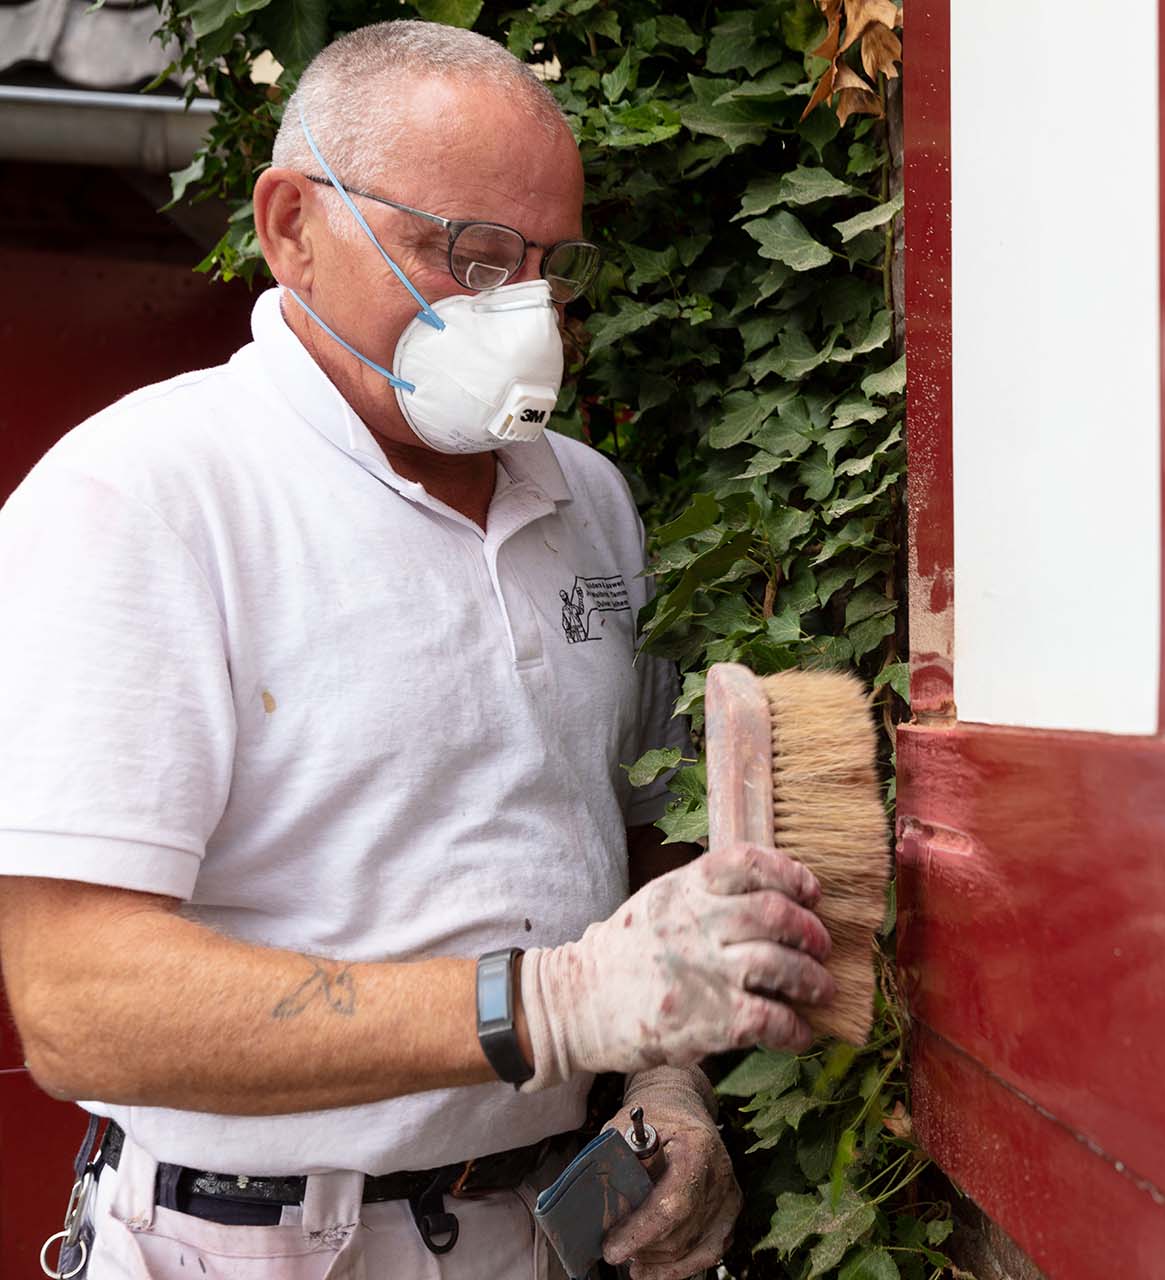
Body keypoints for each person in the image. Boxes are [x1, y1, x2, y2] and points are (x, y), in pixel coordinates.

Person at [0, 20, 834, 1279]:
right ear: (293, 224)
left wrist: (665, 1076)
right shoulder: (148, 493)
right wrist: (540, 1005)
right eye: (472, 255)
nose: (521, 312)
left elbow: (635, 837)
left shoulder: (588, 500)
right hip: (253, 1242)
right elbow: (78, 1003)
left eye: (552, 268)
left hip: (552, 1224)